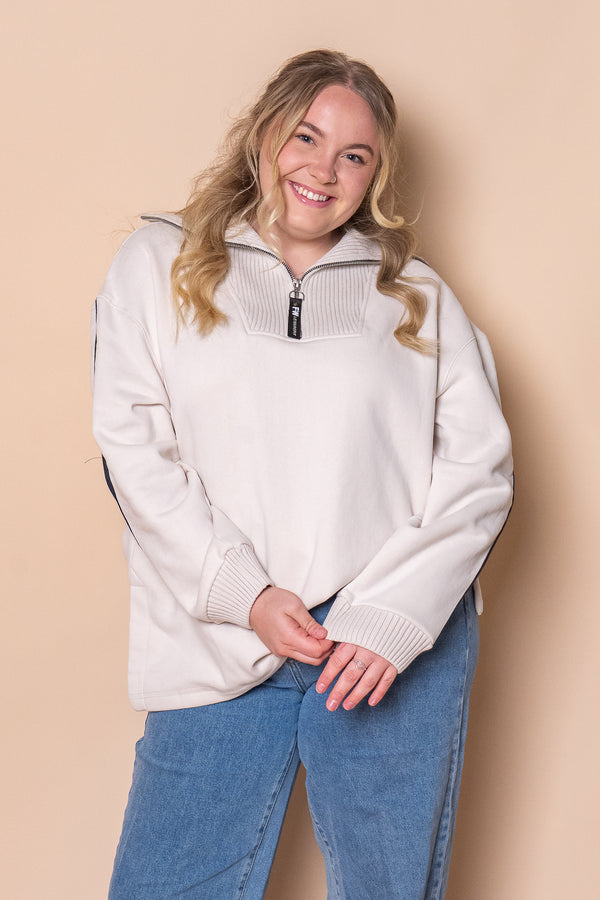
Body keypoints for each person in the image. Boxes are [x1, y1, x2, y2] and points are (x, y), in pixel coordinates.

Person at [91, 49, 513, 900]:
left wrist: (389, 618)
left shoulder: (419, 298)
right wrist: (242, 592)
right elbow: (133, 452)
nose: (324, 170)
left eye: (354, 155)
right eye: (306, 137)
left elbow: (481, 470)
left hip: (384, 643)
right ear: (263, 136)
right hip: (221, 629)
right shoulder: (157, 262)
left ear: (374, 177)